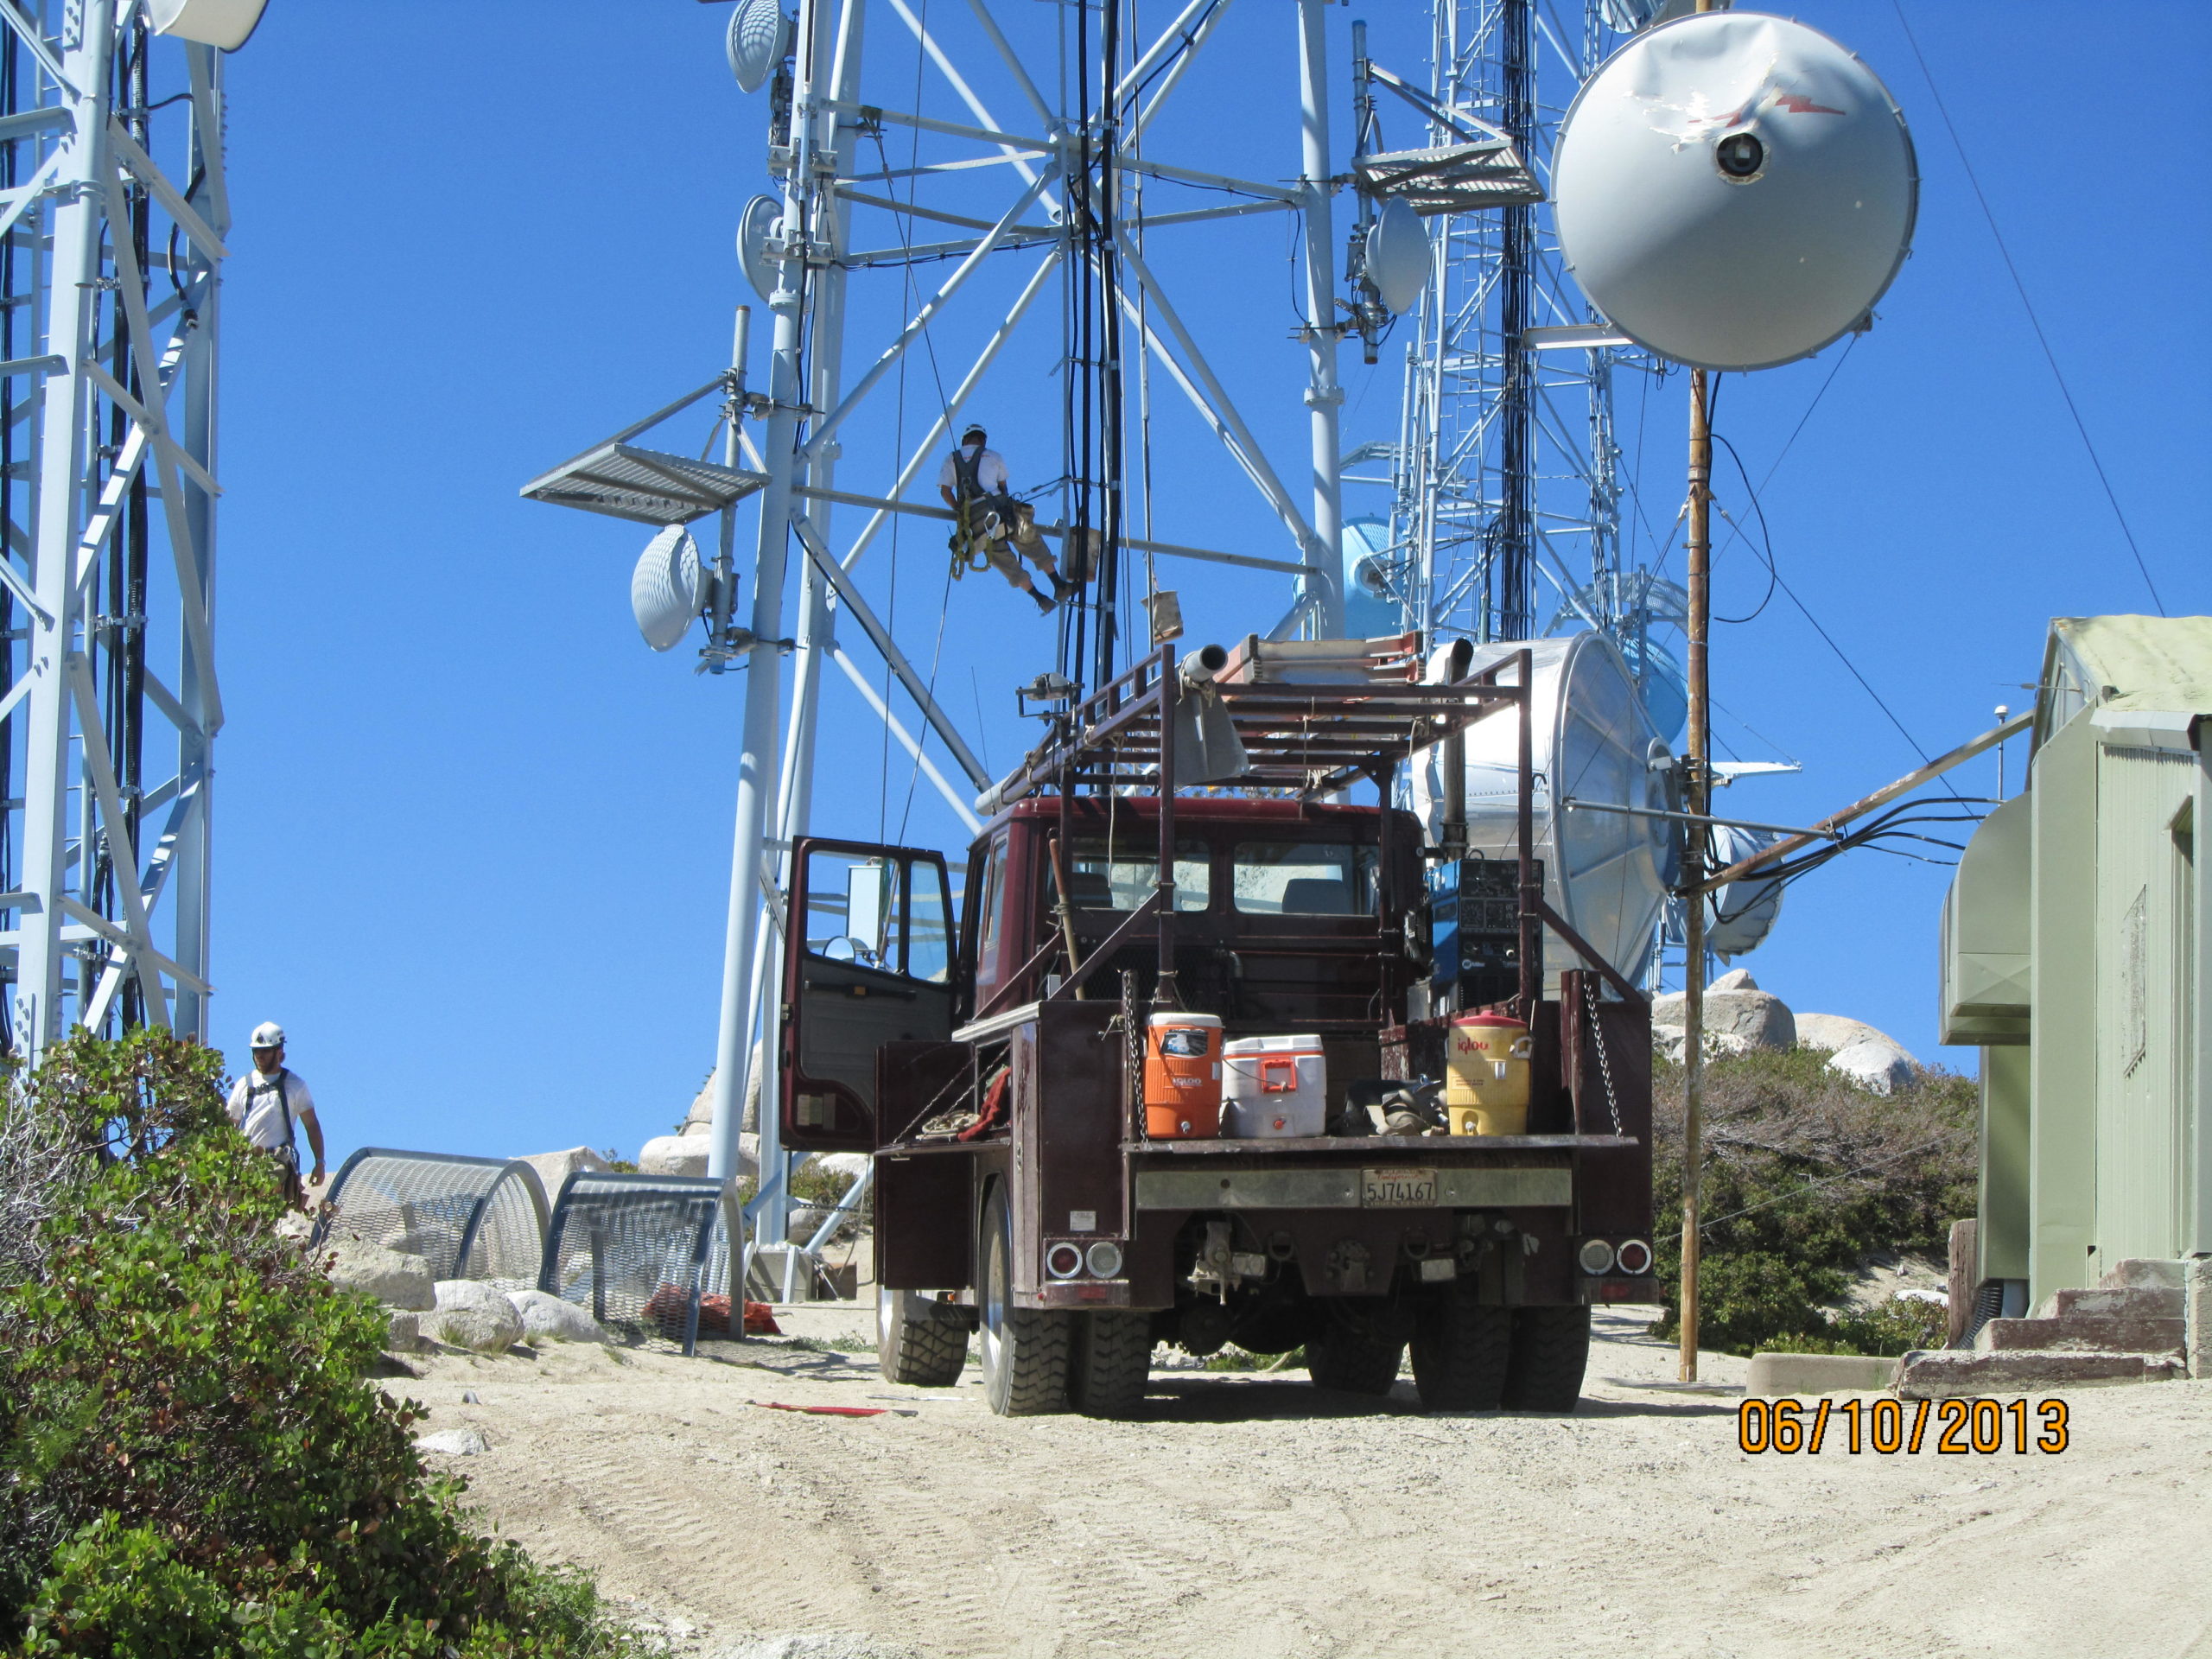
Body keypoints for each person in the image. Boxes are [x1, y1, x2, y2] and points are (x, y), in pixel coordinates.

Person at [937, 425, 1071, 614]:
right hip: (999, 514)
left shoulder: (951, 459)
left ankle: (1040, 599)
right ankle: (1058, 584)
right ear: (983, 441)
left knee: (1000, 557)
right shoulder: (993, 456)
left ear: (964, 441)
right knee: (1029, 539)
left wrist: (961, 511)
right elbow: (1003, 488)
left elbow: (945, 491)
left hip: (976, 524)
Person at [225, 1021, 326, 1209]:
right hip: (245, 1162)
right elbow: (230, 1124)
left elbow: (311, 1125)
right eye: (256, 1051)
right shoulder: (244, 1084)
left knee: (267, 1209)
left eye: (265, 1051)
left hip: (275, 1162)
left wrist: (319, 1162)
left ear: (279, 1051)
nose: (259, 1056)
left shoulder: (295, 1085)